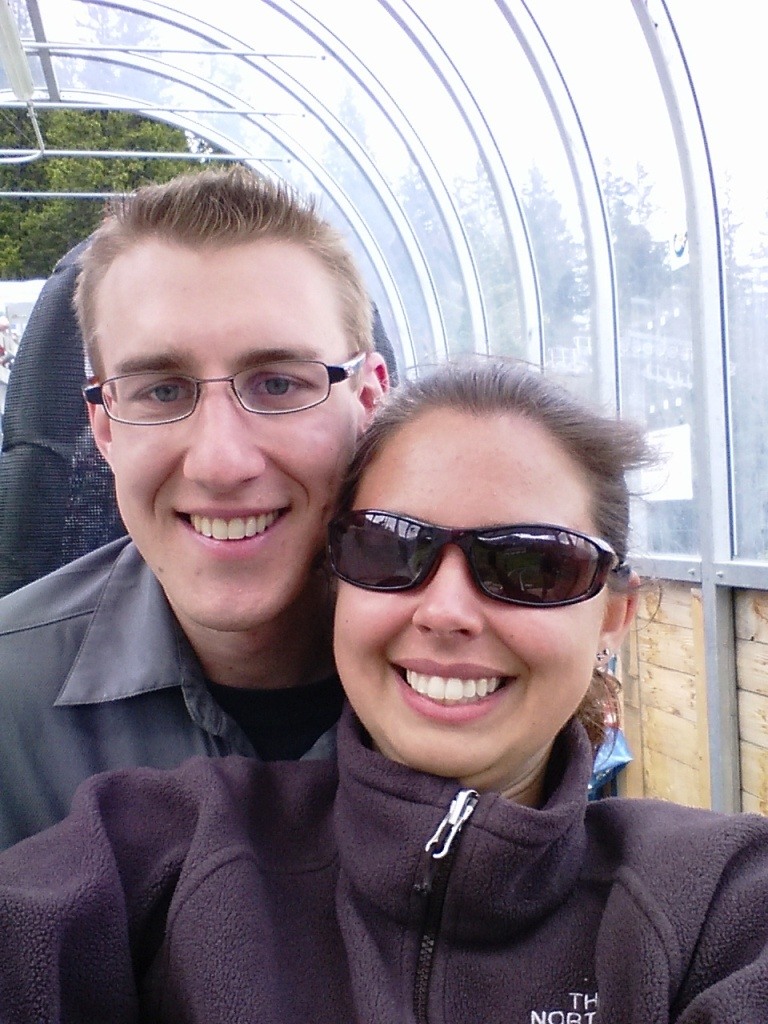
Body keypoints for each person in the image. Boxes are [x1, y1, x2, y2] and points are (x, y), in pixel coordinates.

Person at [2, 357, 768, 1023]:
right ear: (338, 579)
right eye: (391, 548)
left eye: (535, 565)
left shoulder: (715, 903)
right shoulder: (159, 850)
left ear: (614, 615)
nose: (445, 612)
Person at [0, 165, 388, 849]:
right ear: (105, 428)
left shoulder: (474, 669)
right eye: (161, 391)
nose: (220, 462)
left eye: (276, 383)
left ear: (367, 401)